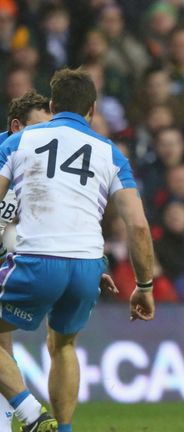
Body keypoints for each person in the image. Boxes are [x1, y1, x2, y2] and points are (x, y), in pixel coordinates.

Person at [0, 69, 156, 432]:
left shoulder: (19, 142)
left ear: (53, 105)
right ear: (93, 109)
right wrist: (145, 286)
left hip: (37, 259)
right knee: (63, 345)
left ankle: (31, 414)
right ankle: (64, 429)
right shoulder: (111, 152)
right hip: (88, 266)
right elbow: (137, 225)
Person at [0, 90, 51, 432]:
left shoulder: (40, 167)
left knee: (3, 343)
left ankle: (19, 418)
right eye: (39, 130)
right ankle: (31, 414)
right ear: (17, 127)